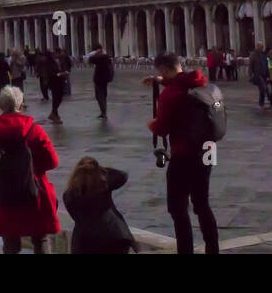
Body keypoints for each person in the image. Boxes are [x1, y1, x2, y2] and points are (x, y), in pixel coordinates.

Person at [145, 52, 220, 255]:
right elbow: (180, 85)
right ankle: (213, 249)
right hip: (208, 150)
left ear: (164, 69)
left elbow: (161, 128)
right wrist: (160, 81)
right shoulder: (200, 82)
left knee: (177, 208)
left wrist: (152, 125)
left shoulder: (170, 95)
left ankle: (185, 250)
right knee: (202, 203)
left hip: (185, 154)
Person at [0, 85, 60, 254]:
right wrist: (33, 168)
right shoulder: (34, 130)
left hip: (3, 194)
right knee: (41, 238)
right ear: (20, 106)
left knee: (10, 243)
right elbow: (53, 161)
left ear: (1, 106)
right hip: (33, 192)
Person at [63, 157, 138, 255]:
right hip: (115, 238)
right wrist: (101, 170)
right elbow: (122, 176)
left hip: (86, 242)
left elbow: (76, 217)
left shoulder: (69, 196)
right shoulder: (102, 189)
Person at [87, 44, 114, 118]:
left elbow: (90, 60)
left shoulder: (102, 57)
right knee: (103, 95)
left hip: (99, 79)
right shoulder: (105, 56)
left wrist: (95, 54)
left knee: (99, 96)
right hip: (104, 79)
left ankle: (103, 112)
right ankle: (103, 112)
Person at [46, 50, 69, 124]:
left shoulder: (56, 62)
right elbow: (52, 74)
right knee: (56, 99)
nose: (55, 55)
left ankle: (54, 114)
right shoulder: (49, 63)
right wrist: (60, 74)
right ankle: (54, 115)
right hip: (54, 83)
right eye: (53, 54)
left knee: (59, 98)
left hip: (59, 82)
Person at [248, 43, 270, 108]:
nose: (262, 48)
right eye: (260, 47)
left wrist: (268, 74)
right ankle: (261, 103)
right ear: (257, 47)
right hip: (257, 74)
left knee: (264, 88)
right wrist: (250, 75)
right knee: (263, 88)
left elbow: (266, 64)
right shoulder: (253, 54)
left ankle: (264, 101)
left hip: (264, 74)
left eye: (262, 47)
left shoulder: (263, 54)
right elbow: (251, 65)